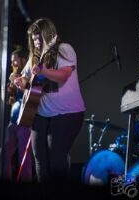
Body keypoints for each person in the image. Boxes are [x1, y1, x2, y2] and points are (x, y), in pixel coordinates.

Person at [13, 18, 85, 182]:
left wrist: (43, 70)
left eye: (38, 37)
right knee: (40, 161)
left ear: (47, 34)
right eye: (33, 39)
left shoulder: (64, 49)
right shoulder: (34, 57)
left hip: (67, 113)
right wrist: (20, 82)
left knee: (57, 160)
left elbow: (63, 76)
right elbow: (26, 81)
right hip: (40, 113)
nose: (35, 42)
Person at [0, 48, 33, 182]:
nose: (12, 62)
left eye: (15, 59)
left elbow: (31, 94)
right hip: (13, 122)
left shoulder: (28, 74)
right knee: (3, 156)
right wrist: (7, 90)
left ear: (23, 60)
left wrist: (17, 82)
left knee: (24, 160)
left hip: (25, 123)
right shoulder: (16, 75)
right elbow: (9, 100)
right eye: (12, 60)